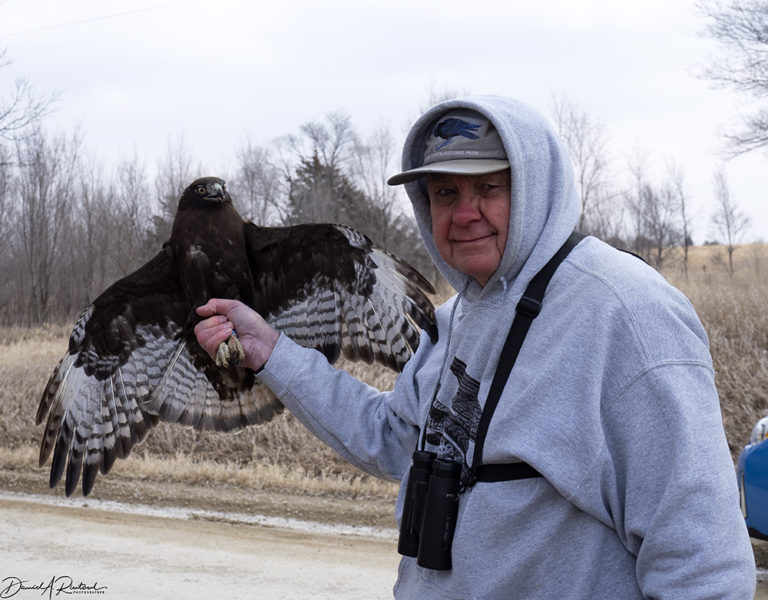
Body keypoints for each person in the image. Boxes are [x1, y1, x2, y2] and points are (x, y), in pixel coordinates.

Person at [195, 96, 756, 599]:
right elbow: (391, 437)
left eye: (489, 187)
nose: (464, 214)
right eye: (445, 193)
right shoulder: (457, 317)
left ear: (535, 189)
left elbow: (702, 565)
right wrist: (271, 352)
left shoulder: (627, 315)